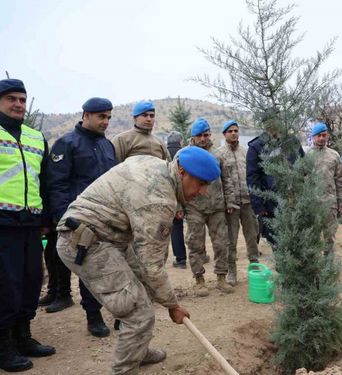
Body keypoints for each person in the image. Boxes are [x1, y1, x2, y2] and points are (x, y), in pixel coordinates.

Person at [56, 146, 219, 374]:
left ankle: (138, 351)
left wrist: (163, 298)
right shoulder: (159, 200)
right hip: (87, 243)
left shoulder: (155, 164)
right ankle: (125, 370)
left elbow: (146, 265)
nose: (202, 192)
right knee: (137, 312)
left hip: (109, 237)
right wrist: (173, 305)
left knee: (142, 291)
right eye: (200, 184)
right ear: (181, 171)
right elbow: (152, 265)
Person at [44, 97, 116, 337]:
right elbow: (57, 184)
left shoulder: (108, 146)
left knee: (113, 267)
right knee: (88, 269)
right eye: (101, 117)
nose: (105, 121)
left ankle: (119, 313)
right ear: (86, 115)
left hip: (108, 218)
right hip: (80, 220)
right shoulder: (67, 144)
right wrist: (64, 219)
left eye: (108, 117)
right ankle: (93, 316)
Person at [0, 78, 55, 372]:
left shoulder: (36, 138)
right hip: (2, 224)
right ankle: (3, 346)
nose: (19, 104)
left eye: (22, 99)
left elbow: (45, 181)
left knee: (32, 280)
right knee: (6, 285)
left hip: (31, 223)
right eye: (11, 99)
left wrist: (46, 219)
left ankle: (24, 336)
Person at [184, 118, 234, 296]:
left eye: (206, 134)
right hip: (194, 207)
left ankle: (221, 278)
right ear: (193, 137)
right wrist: (178, 206)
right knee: (195, 244)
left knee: (221, 243)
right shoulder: (185, 155)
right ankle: (199, 280)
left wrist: (230, 201)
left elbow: (227, 180)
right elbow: (177, 183)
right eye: (199, 135)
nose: (203, 138)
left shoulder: (218, 154)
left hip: (217, 206)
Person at [246, 110, 305, 246]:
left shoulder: (292, 141)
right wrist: (259, 207)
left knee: (299, 241)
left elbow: (304, 166)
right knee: (278, 244)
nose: (271, 125)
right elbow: (252, 179)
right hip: (271, 205)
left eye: (274, 120)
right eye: (268, 122)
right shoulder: (256, 147)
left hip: (296, 202)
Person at [216, 120, 260, 285]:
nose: (233, 133)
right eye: (230, 131)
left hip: (248, 202)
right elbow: (219, 181)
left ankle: (254, 266)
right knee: (230, 240)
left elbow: (253, 175)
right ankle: (231, 271)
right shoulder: (219, 154)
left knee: (252, 236)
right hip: (231, 205)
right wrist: (226, 202)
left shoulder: (247, 152)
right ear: (224, 134)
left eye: (236, 130)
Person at [307, 123, 342, 254]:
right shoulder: (306, 156)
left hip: (330, 203)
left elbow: (340, 179)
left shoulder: (334, 155)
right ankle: (313, 266)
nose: (322, 138)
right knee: (312, 236)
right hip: (311, 204)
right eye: (318, 135)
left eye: (324, 135)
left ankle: (328, 265)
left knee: (329, 237)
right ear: (313, 137)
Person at [166, 131, 187, 269]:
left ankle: (180, 260)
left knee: (175, 228)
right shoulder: (184, 154)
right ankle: (201, 255)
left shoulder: (162, 154)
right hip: (186, 196)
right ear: (181, 142)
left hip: (168, 197)